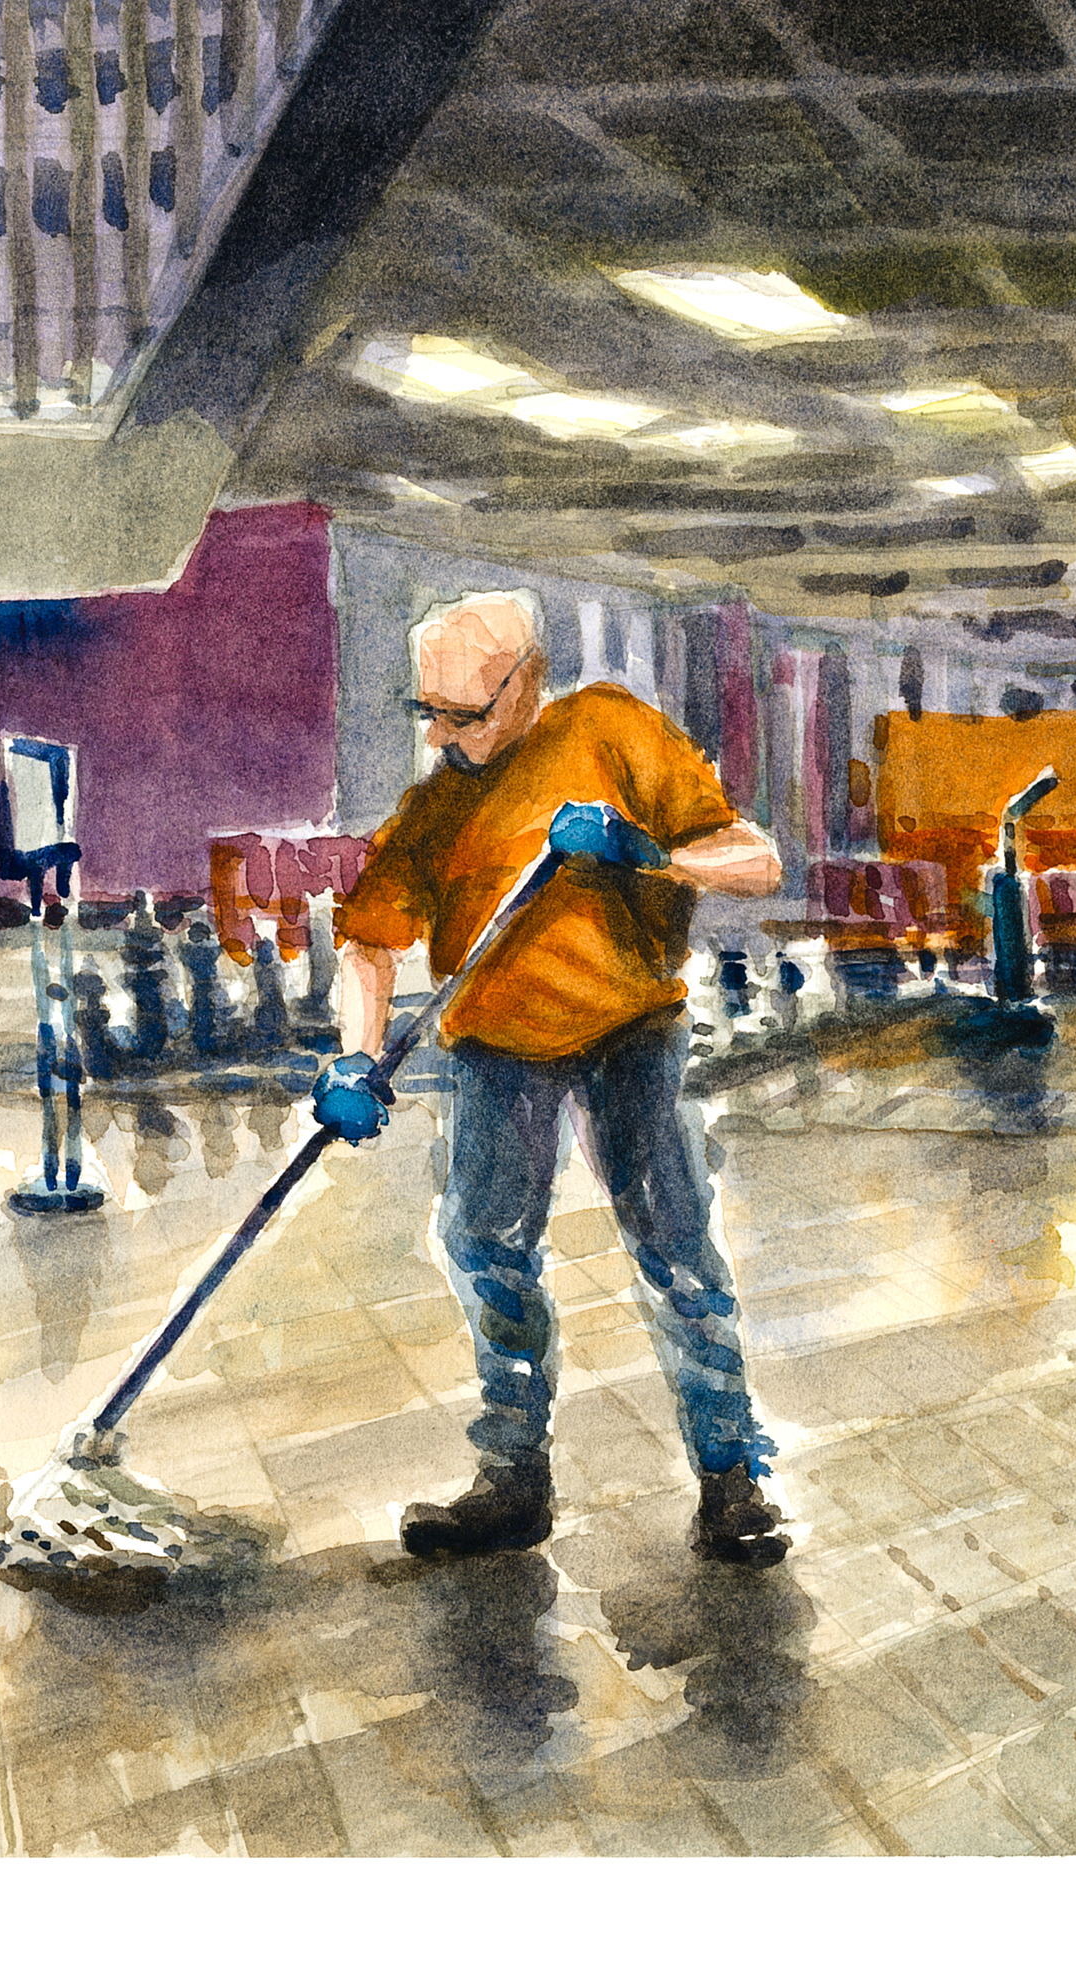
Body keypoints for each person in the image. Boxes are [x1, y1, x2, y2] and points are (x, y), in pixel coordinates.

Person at [315, 591, 792, 1564]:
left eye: (468, 713)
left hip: (629, 1029)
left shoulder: (610, 729)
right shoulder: (441, 801)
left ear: (527, 680)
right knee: (484, 1245)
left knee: (674, 1245)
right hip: (496, 1046)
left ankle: (733, 1476)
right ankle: (513, 1478)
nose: (446, 736)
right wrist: (357, 1055)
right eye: (430, 714)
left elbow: (755, 861)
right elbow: (368, 941)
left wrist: (641, 851)